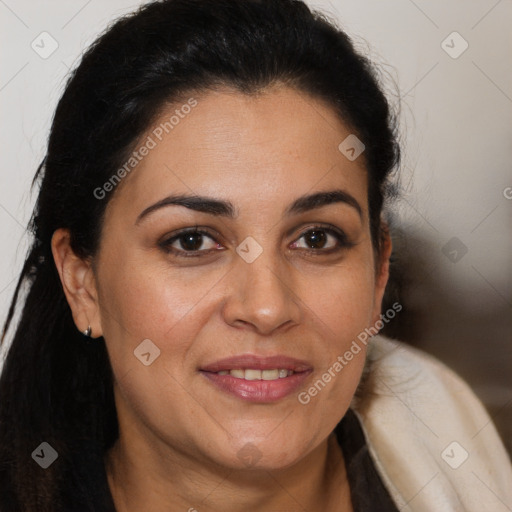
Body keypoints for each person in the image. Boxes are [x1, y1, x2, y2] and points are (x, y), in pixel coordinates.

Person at [1, 0, 511, 510]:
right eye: (193, 241)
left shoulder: (450, 439)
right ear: (82, 282)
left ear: (379, 273)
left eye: (316, 238)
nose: (267, 308)